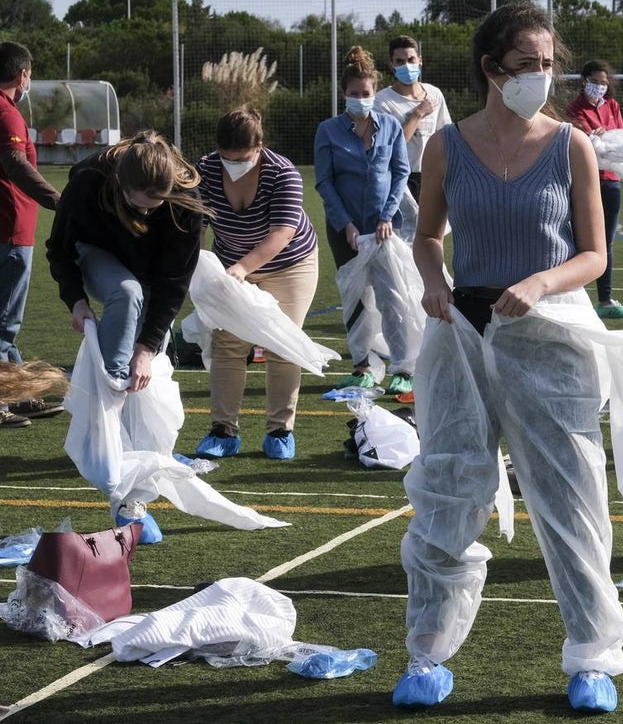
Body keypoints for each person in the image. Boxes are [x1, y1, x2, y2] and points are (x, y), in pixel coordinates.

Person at [393, 3, 623, 713]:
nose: (544, 76)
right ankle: (427, 654)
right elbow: (428, 236)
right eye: (529, 64)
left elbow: (594, 254)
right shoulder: (447, 147)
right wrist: (433, 283)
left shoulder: (570, 146)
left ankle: (592, 658)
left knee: (570, 499)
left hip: (551, 337)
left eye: (549, 63)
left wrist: (538, 285)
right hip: (463, 335)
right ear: (492, 69)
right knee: (447, 490)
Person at [45, 130, 209, 541]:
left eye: (159, 203)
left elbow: (174, 283)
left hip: (154, 275)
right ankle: (108, 404)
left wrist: (146, 348)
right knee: (125, 292)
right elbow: (59, 249)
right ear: (121, 184)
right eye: (141, 203)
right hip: (99, 255)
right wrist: (77, 302)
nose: (149, 212)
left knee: (151, 380)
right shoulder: (88, 183)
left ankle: (134, 497)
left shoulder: (185, 204)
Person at [193, 108, 320, 461]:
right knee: (227, 343)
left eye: (242, 158)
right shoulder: (204, 169)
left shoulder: (283, 173)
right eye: (226, 157)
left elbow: (282, 233)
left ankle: (280, 431)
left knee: (283, 342)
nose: (233, 164)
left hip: (289, 265)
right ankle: (223, 430)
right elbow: (197, 224)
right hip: (229, 264)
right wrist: (199, 265)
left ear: (260, 146)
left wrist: (242, 268)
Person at [315, 45, 413, 395]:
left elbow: (400, 172)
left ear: (375, 91)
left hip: (385, 228)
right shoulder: (328, 131)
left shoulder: (390, 126)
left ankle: (403, 366)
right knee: (355, 298)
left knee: (392, 297)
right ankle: (362, 365)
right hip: (346, 231)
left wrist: (387, 216)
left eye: (366, 93)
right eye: (353, 94)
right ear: (344, 94)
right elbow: (324, 182)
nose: (360, 99)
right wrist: (347, 225)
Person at [0, 41, 62, 428]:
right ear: (22, 74)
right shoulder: (6, 113)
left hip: (11, 228)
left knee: (6, 322)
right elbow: (14, 162)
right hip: (9, 229)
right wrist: (59, 200)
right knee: (4, 322)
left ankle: (18, 395)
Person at [564, 60, 623, 320]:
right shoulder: (573, 109)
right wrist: (600, 137)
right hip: (585, 180)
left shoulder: (612, 106)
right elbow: (586, 140)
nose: (600, 88)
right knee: (577, 239)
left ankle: (605, 299)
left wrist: (607, 137)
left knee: (606, 242)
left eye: (604, 83)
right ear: (584, 81)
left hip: (610, 180)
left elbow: (620, 136)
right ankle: (571, 295)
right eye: (595, 82)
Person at [374, 35, 452, 203]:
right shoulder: (382, 101)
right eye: (400, 61)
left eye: (411, 59)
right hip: (400, 175)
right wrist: (417, 114)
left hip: (433, 174)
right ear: (391, 65)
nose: (407, 66)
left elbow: (446, 137)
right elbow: (392, 146)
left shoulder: (434, 94)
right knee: (407, 228)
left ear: (420, 60)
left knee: (435, 228)